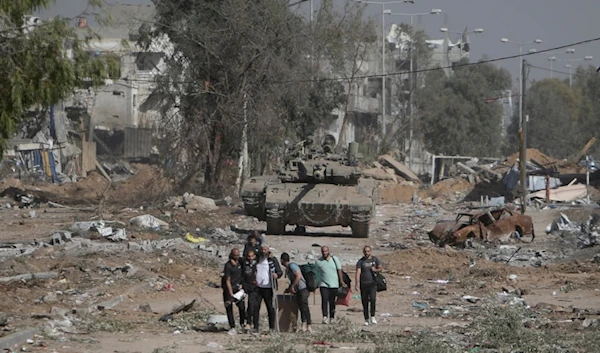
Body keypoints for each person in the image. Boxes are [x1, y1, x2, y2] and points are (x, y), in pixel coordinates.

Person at [280, 252, 312, 333]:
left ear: (282, 260)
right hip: (298, 290)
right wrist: (289, 288)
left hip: (303, 289)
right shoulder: (288, 268)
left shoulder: (292, 266)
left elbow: (298, 276)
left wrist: (293, 286)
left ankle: (309, 326)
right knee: (301, 308)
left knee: (305, 307)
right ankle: (303, 326)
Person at [256, 243, 283, 332]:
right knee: (255, 307)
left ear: (268, 250)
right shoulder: (257, 259)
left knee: (270, 308)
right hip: (258, 287)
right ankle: (255, 327)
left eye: (265, 250)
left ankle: (271, 327)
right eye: (262, 249)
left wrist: (276, 275)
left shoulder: (272, 260)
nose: (264, 251)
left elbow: (280, 272)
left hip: (269, 287)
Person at [355, 246, 383, 326]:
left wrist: (375, 270)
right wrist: (357, 283)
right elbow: (358, 272)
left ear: (370, 251)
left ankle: (373, 316)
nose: (366, 253)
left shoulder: (374, 260)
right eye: (365, 251)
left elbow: (380, 268)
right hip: (363, 284)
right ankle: (366, 319)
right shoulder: (361, 261)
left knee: (373, 299)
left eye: (368, 251)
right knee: (365, 302)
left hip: (372, 283)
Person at [316, 246, 345, 324]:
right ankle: (325, 317)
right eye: (323, 251)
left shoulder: (334, 259)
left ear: (328, 251)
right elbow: (317, 273)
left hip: (334, 284)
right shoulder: (319, 262)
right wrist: (317, 283)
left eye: (325, 251)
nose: (324, 253)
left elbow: (339, 270)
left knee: (332, 301)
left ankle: (332, 317)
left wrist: (341, 281)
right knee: (324, 300)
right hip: (323, 284)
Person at [222, 248, 245, 334]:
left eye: (238, 255)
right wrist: (231, 293)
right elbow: (227, 280)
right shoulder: (228, 266)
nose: (237, 256)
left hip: (238, 288)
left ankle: (242, 324)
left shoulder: (240, 262)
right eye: (235, 255)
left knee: (242, 307)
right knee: (229, 307)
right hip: (229, 288)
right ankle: (232, 326)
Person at [241, 249, 259, 333]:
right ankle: (243, 322)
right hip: (245, 285)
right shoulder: (243, 261)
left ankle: (250, 322)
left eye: (252, 256)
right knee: (240, 303)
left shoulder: (257, 263)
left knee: (251, 304)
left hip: (254, 286)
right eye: (249, 256)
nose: (250, 258)